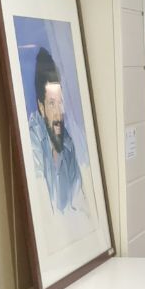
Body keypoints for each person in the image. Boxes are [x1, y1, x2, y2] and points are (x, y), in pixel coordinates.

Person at [28, 47, 84, 213]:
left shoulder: (67, 143)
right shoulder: (32, 141)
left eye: (60, 102)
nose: (58, 113)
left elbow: (79, 200)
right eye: (52, 103)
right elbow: (42, 208)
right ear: (41, 107)